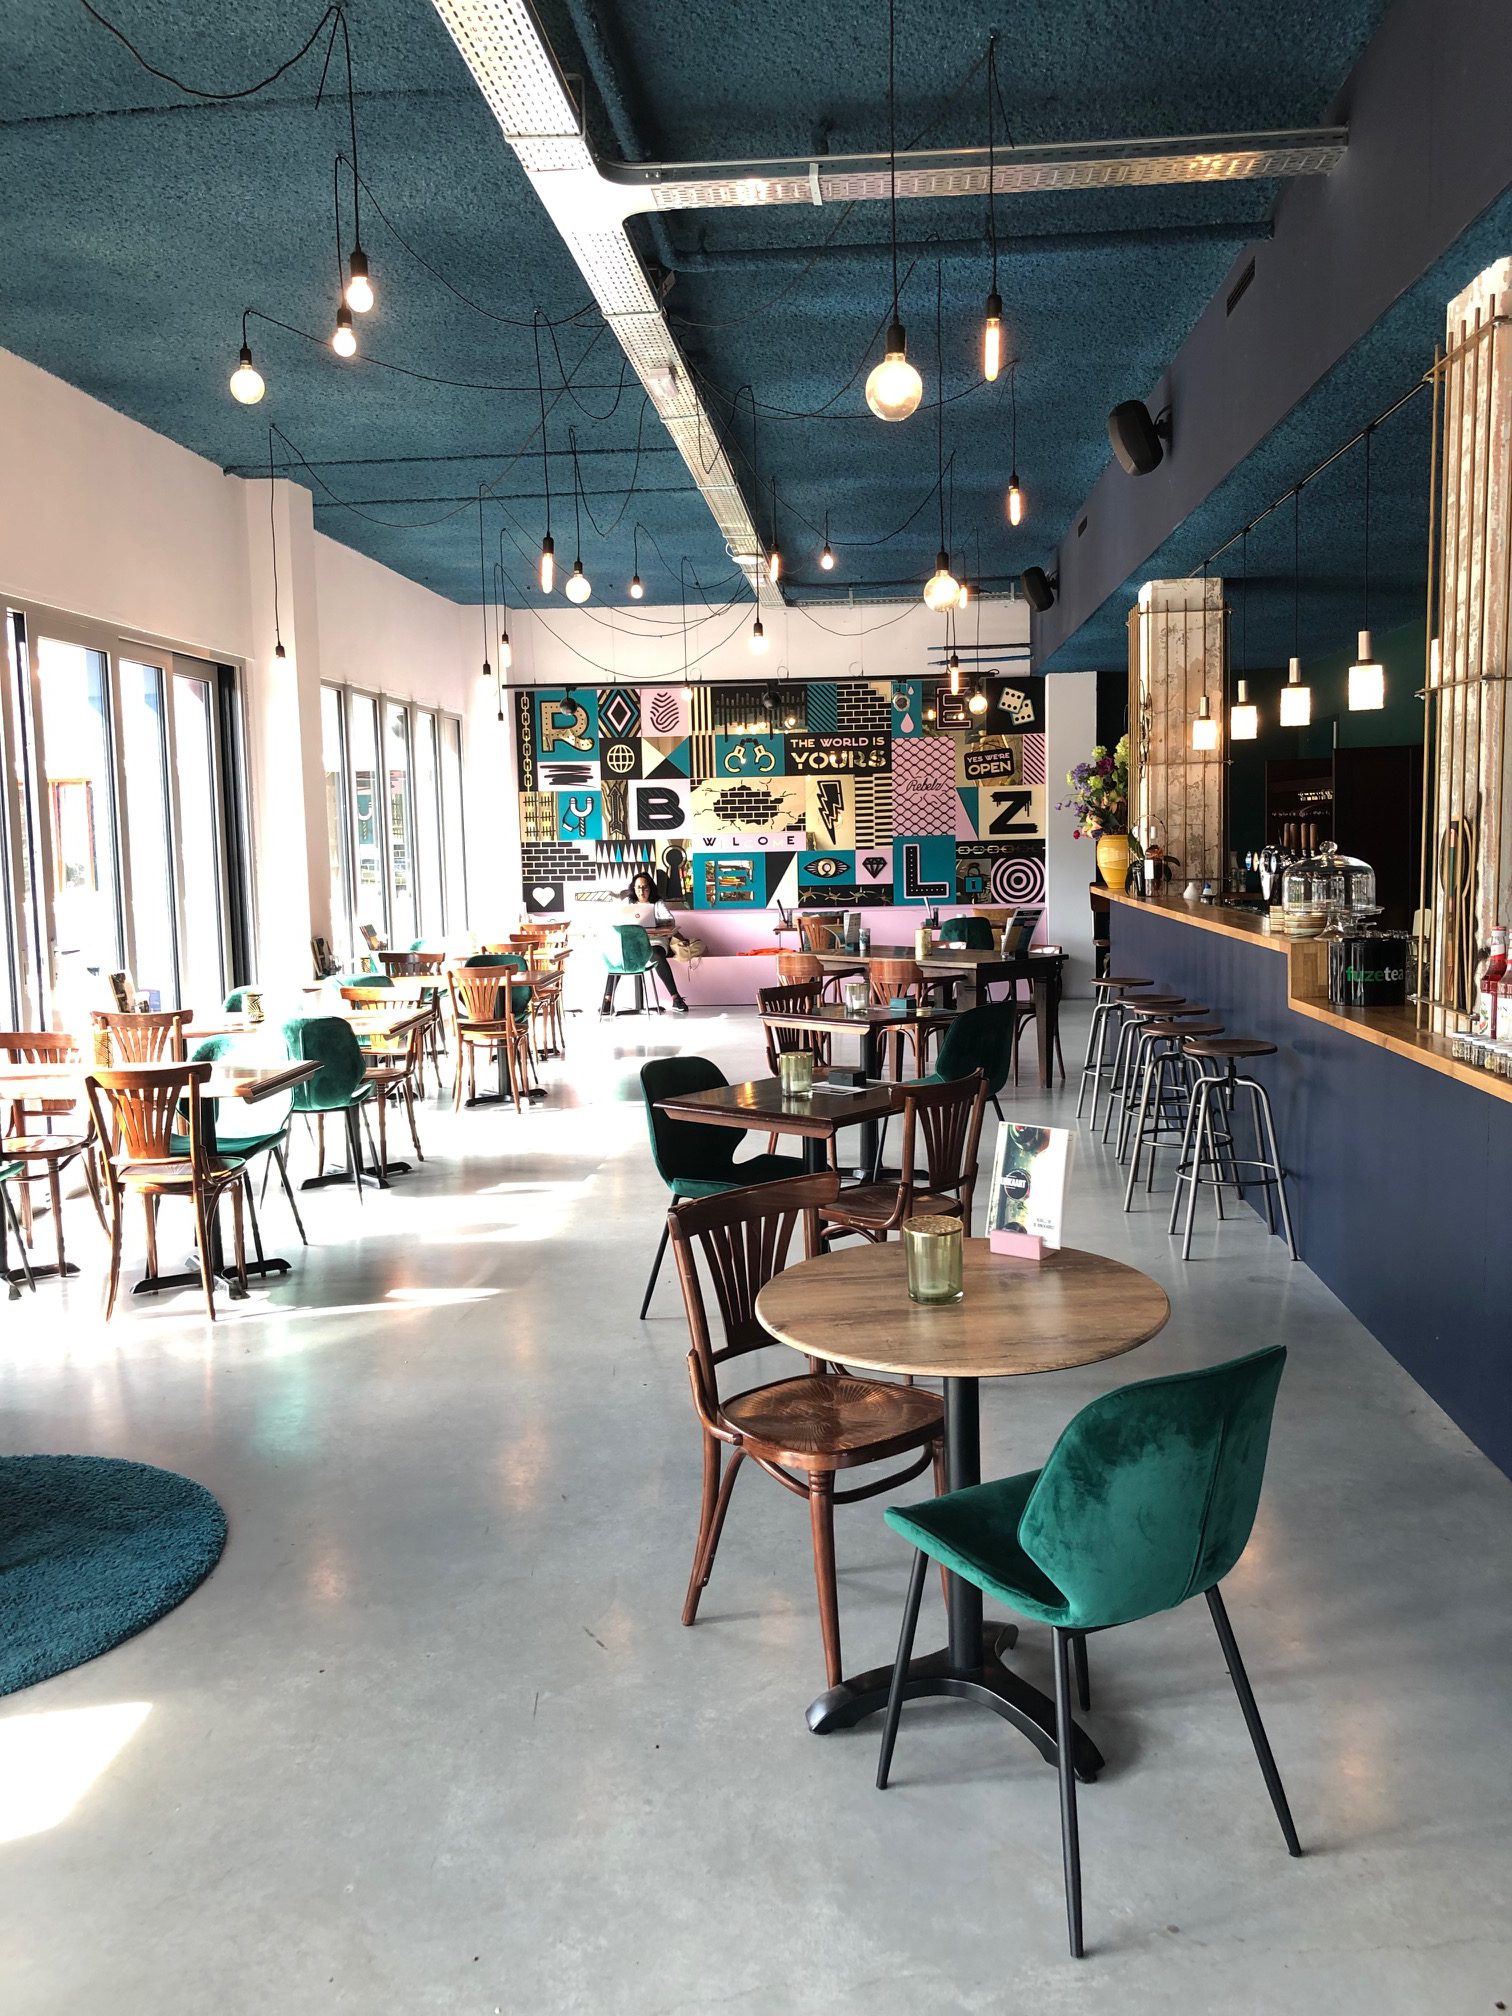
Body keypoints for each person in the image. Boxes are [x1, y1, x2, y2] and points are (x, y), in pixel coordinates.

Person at [602, 871, 688, 1013]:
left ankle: (676, 998)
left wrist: (654, 922)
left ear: (650, 888)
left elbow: (670, 920)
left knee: (657, 955)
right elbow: (617, 920)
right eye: (638, 887)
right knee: (618, 958)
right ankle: (607, 1001)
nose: (641, 891)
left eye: (645, 887)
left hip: (655, 941)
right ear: (634, 889)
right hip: (633, 942)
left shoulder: (657, 903)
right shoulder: (628, 903)